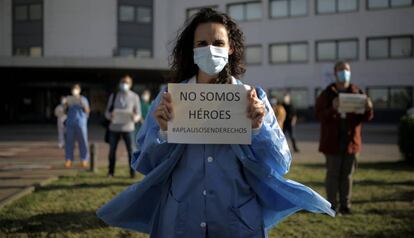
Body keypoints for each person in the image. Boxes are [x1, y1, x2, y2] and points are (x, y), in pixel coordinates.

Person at [97, 8, 334, 237]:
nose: (210, 50)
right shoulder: (169, 100)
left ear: (230, 49)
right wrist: (164, 132)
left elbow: (280, 163)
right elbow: (146, 163)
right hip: (181, 218)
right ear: (191, 50)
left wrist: (258, 128)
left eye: (218, 43)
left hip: (237, 220)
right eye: (202, 44)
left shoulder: (252, 98)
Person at [315, 61, 374, 215]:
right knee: (333, 175)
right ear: (335, 73)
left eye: (346, 70)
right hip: (332, 143)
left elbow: (365, 117)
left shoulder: (356, 92)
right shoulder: (327, 94)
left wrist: (369, 108)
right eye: (341, 70)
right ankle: (332, 206)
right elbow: (319, 115)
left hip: (351, 143)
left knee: (347, 175)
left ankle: (345, 206)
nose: (344, 73)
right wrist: (332, 109)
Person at [105, 75, 141, 178]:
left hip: (128, 128)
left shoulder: (135, 97)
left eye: (127, 82)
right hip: (114, 128)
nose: (124, 84)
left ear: (130, 84)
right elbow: (107, 112)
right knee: (112, 151)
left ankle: (132, 173)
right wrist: (110, 116)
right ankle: (111, 172)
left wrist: (134, 118)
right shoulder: (114, 95)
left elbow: (138, 114)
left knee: (131, 150)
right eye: (123, 82)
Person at [64, 83, 90, 168]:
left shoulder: (83, 99)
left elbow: (87, 110)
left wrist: (82, 104)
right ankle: (69, 159)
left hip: (81, 122)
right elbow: (64, 111)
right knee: (69, 142)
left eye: (76, 89)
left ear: (79, 90)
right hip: (70, 122)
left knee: (83, 142)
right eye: (73, 89)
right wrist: (65, 104)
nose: (74, 90)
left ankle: (84, 160)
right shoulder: (68, 99)